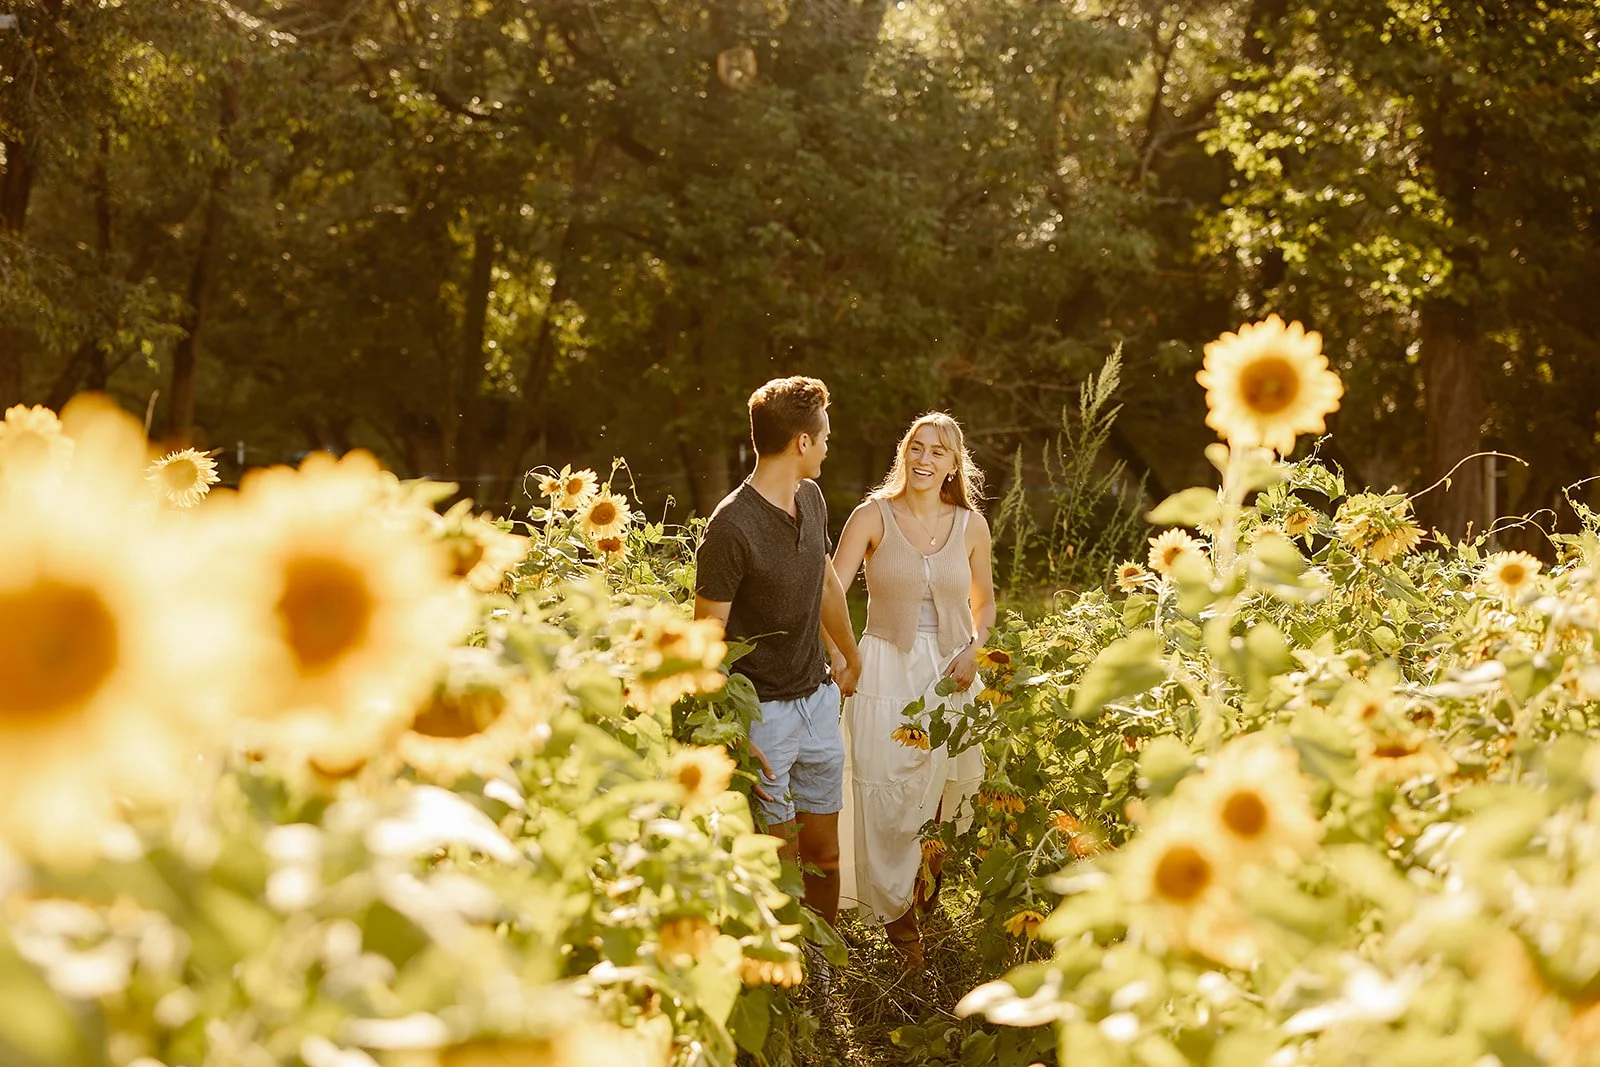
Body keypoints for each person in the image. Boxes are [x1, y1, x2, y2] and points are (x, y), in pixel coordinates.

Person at [694, 376, 863, 932]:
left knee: (825, 857)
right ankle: (786, 988)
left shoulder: (810, 499)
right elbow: (705, 644)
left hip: (816, 703)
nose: (829, 445)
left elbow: (825, 585)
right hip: (762, 719)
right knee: (778, 869)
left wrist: (848, 652)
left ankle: (824, 974)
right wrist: (735, 733)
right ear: (802, 444)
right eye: (826, 437)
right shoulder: (730, 527)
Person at [832, 412, 994, 967]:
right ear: (905, 453)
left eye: (938, 452)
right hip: (883, 670)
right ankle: (901, 934)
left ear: (954, 464)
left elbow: (985, 603)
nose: (924, 460)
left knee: (940, 798)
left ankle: (925, 902)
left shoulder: (970, 525)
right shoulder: (872, 516)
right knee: (885, 793)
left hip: (950, 674)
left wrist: (975, 649)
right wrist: (843, 656)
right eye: (917, 448)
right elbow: (830, 592)